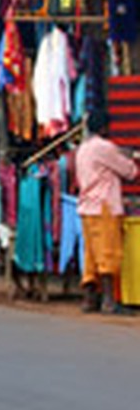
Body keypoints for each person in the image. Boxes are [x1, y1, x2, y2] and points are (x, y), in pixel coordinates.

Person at [75, 109, 139, 314]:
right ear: (105, 128)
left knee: (91, 255)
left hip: (86, 207)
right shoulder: (105, 148)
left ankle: (89, 299)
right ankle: (109, 301)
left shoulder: (82, 149)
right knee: (108, 253)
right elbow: (129, 171)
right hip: (104, 207)